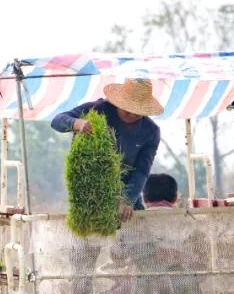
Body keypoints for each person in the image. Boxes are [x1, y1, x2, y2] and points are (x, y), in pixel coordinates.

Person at [51, 78, 163, 220]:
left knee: (133, 235)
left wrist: (126, 200)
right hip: (91, 189)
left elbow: (142, 170)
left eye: (137, 112)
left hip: (126, 192)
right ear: (118, 102)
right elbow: (56, 121)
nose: (132, 115)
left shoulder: (150, 131)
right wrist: (76, 123)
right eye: (128, 109)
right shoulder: (97, 110)